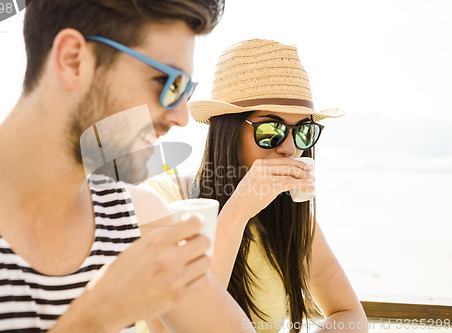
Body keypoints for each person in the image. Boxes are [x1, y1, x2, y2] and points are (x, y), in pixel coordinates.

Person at [0, 1, 259, 332]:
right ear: (73, 60)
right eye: (168, 83)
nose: (182, 117)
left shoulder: (137, 217)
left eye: (186, 90)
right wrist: (94, 319)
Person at [136, 39, 369, 333]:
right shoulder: (159, 200)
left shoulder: (291, 216)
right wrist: (237, 212)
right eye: (271, 129)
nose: (290, 148)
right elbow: (181, 327)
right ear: (227, 130)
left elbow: (349, 314)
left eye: (303, 132)